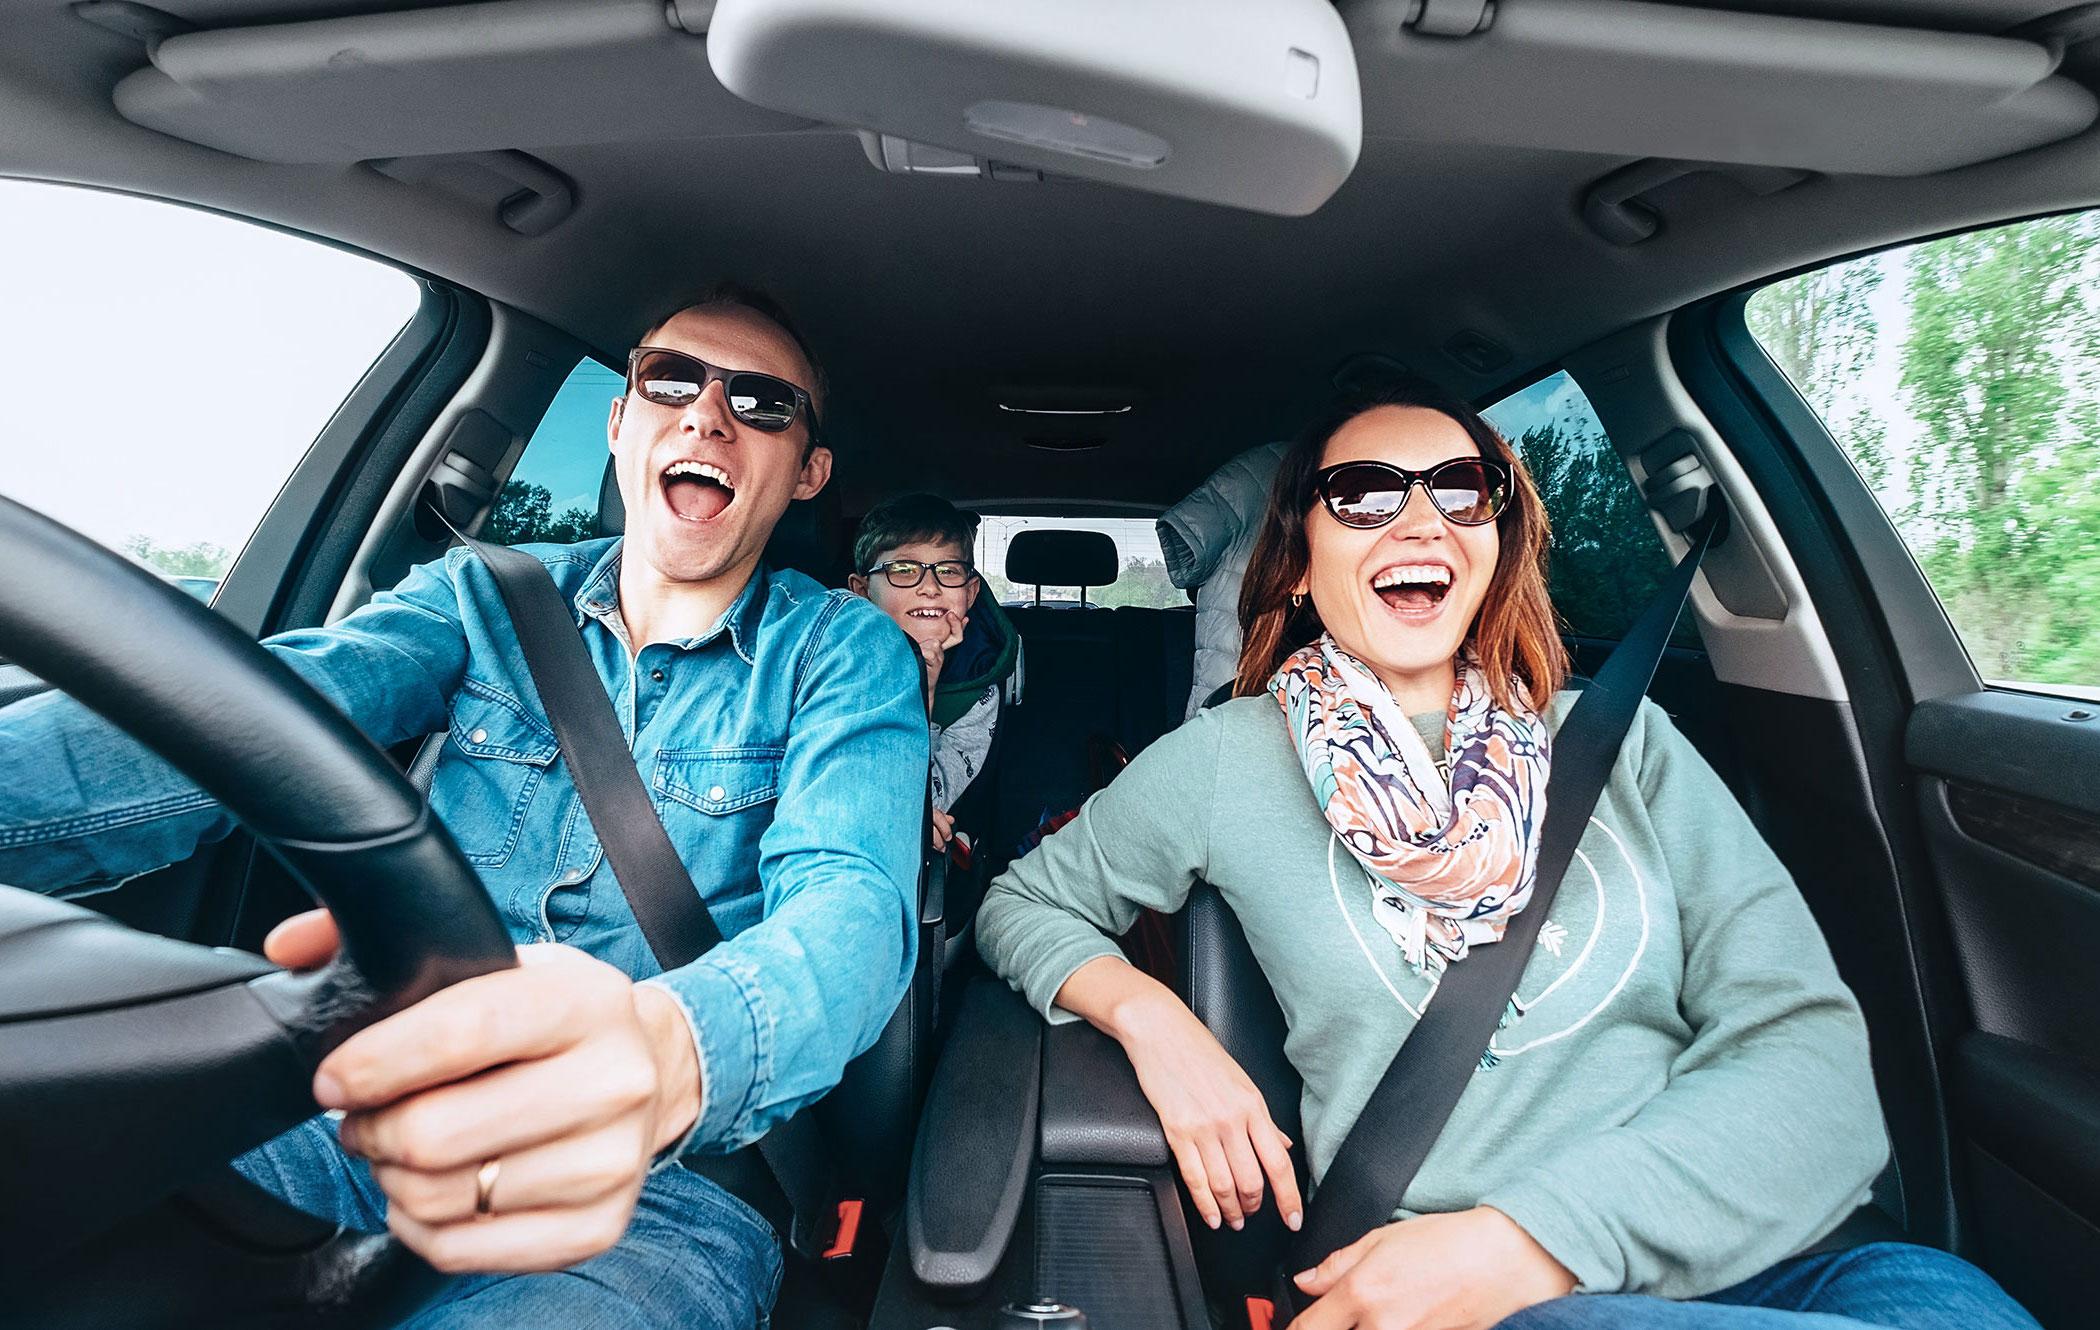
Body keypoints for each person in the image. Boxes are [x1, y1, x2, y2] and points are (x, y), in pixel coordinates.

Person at [975, 377, 2039, 1330]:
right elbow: (1023, 905)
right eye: (1365, 492)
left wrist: (1537, 1234)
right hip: (1468, 1296)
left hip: (1790, 1262)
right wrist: (1155, 1020)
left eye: (1460, 487)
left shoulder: (1623, 743)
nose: (1421, 517)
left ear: (1496, 543)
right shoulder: (1222, 760)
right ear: (1298, 560)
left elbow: (1811, 1066)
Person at [0, 287, 928, 1329]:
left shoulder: (844, 654)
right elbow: (240, 721)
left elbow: (851, 907)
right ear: (623, 420)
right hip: (368, 1109)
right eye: (671, 380)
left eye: (762, 403)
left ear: (808, 473)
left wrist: (665, 1048)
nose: (707, 416)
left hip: (654, 1192)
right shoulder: (479, 598)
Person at [848, 493, 1017, 853]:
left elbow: (928, 797)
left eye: (949, 571)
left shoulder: (978, 684)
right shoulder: (831, 664)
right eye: (904, 570)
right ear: (862, 591)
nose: (930, 587)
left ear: (970, 593)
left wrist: (923, 686)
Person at [1158, 440, 1288, 718]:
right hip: (1235, 663)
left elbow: (1187, 564)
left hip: (1230, 663)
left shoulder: (1256, 472)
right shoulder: (1257, 473)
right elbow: (1185, 561)